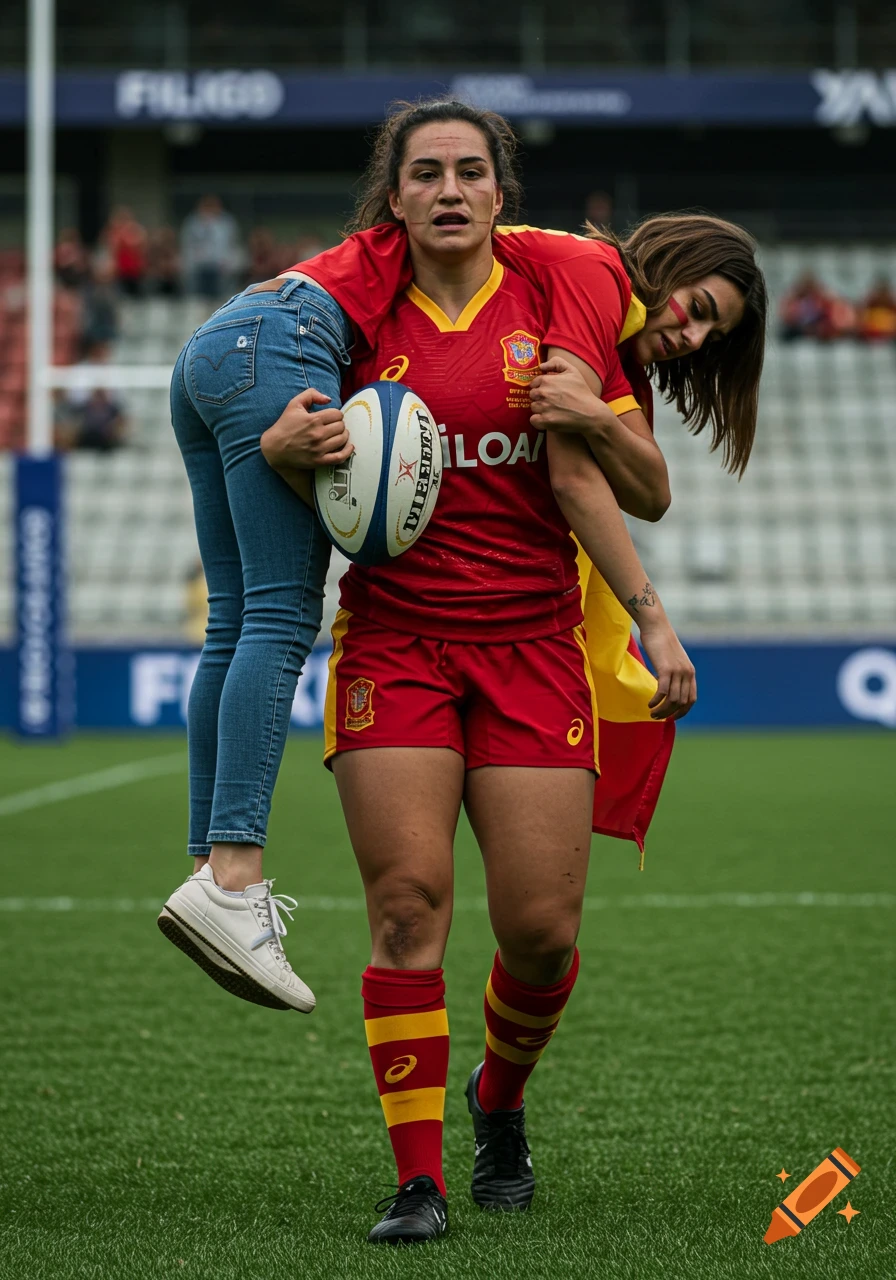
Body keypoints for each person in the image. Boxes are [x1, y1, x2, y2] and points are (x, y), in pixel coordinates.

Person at [159, 99, 765, 1024]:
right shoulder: (594, 274)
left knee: (236, 620)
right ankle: (234, 875)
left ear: (496, 194)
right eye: (697, 309)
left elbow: (644, 483)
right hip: (287, 354)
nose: (689, 335)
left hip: (220, 345)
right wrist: (654, 620)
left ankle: (213, 870)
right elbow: (579, 474)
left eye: (709, 337)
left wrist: (278, 444)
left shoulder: (521, 265)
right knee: (278, 617)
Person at [262, 101, 700, 1247]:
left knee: (540, 929)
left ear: (500, 193)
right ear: (394, 197)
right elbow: (277, 448)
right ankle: (417, 1180)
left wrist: (652, 623)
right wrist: (278, 447)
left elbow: (621, 485)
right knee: (407, 903)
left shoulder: (550, 300)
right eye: (425, 173)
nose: (448, 189)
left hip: (533, 647)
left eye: (469, 171)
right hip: (394, 642)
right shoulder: (347, 318)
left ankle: (496, 1098)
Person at [180, 195, 242, 300]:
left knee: (221, 295)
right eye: (207, 206)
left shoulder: (227, 223)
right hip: (199, 266)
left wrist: (230, 262)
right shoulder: (192, 223)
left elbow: (232, 243)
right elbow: (187, 244)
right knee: (197, 296)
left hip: (220, 266)